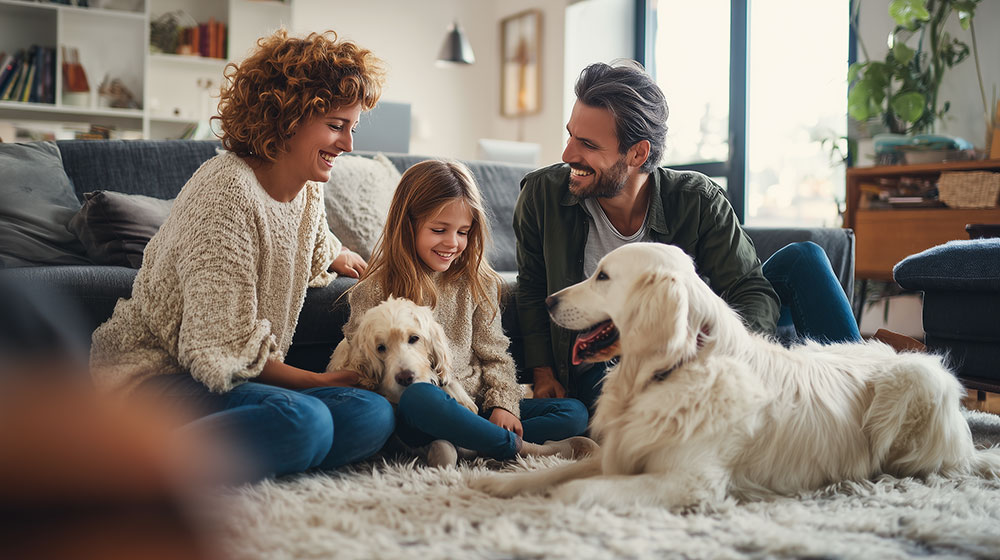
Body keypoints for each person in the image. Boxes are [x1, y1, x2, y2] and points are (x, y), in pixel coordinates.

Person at [89, 29, 394, 482]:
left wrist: (337, 253)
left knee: (373, 415)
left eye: (352, 127)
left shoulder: (307, 190)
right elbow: (216, 349)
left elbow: (308, 240)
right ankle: (134, 462)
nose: (348, 144)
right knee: (306, 421)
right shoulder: (227, 192)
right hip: (159, 377)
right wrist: (315, 383)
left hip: (237, 383)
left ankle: (251, 450)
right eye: (335, 125)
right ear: (287, 118)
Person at [516, 61, 861, 413]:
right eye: (570, 135)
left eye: (586, 143)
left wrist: (724, 356)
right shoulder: (542, 195)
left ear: (638, 153)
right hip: (604, 358)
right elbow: (530, 288)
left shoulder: (697, 198)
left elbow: (750, 288)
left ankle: (861, 384)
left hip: (696, 340)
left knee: (805, 258)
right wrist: (542, 373)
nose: (567, 154)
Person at [341, 159, 594, 467]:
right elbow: (362, 369)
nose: (452, 243)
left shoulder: (479, 282)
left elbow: (496, 355)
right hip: (421, 409)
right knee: (420, 397)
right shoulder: (373, 290)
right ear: (408, 226)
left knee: (574, 413)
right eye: (439, 230)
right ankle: (521, 449)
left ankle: (466, 444)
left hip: (475, 404)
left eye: (463, 232)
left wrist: (504, 406)